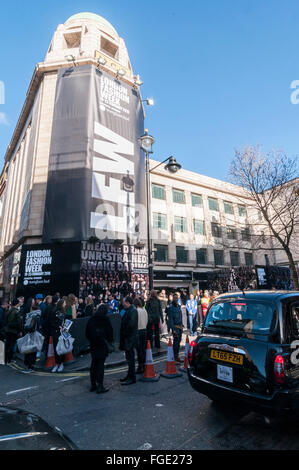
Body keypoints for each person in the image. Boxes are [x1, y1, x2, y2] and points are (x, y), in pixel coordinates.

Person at [85, 304, 113, 394]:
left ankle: (93, 385)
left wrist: (92, 340)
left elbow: (87, 333)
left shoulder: (92, 319)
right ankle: (100, 386)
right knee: (100, 365)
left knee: (93, 364)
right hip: (102, 345)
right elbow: (110, 333)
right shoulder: (105, 320)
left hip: (94, 345)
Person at [119, 296, 138, 385]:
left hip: (130, 339)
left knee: (131, 359)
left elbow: (131, 325)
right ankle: (129, 375)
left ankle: (132, 378)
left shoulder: (133, 311)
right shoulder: (129, 310)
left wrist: (125, 333)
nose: (122, 304)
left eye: (123, 302)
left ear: (128, 302)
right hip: (127, 338)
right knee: (128, 358)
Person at [48, 299, 66, 373]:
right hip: (56, 333)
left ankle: (61, 364)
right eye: (64, 303)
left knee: (62, 349)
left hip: (62, 332)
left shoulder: (62, 311)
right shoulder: (55, 311)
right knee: (57, 349)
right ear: (61, 304)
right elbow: (52, 322)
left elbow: (63, 321)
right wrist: (58, 326)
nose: (65, 304)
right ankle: (57, 364)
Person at [23, 305, 41, 372]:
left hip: (31, 335)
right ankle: (31, 365)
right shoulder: (37, 315)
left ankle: (30, 366)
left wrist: (25, 327)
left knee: (30, 351)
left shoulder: (33, 316)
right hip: (35, 335)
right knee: (32, 351)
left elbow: (30, 327)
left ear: (32, 309)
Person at [166, 293, 183, 364]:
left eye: (177, 298)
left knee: (178, 343)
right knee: (175, 344)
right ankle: (173, 358)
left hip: (180, 327)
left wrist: (182, 325)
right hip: (175, 328)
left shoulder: (179, 306)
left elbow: (180, 316)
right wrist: (173, 329)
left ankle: (177, 356)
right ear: (173, 299)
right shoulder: (171, 308)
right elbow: (171, 320)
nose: (176, 299)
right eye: (175, 298)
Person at [5, 299, 22, 364]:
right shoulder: (17, 312)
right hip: (14, 331)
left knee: (7, 345)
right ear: (17, 304)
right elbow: (19, 323)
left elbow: (5, 320)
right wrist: (20, 331)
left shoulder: (8, 311)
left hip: (7, 330)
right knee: (11, 345)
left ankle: (6, 359)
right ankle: (10, 359)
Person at [133, 298, 148, 374]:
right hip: (144, 330)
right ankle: (144, 365)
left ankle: (140, 366)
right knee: (143, 349)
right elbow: (146, 321)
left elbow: (134, 322)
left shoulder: (136, 311)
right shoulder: (144, 310)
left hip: (138, 331)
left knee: (139, 350)